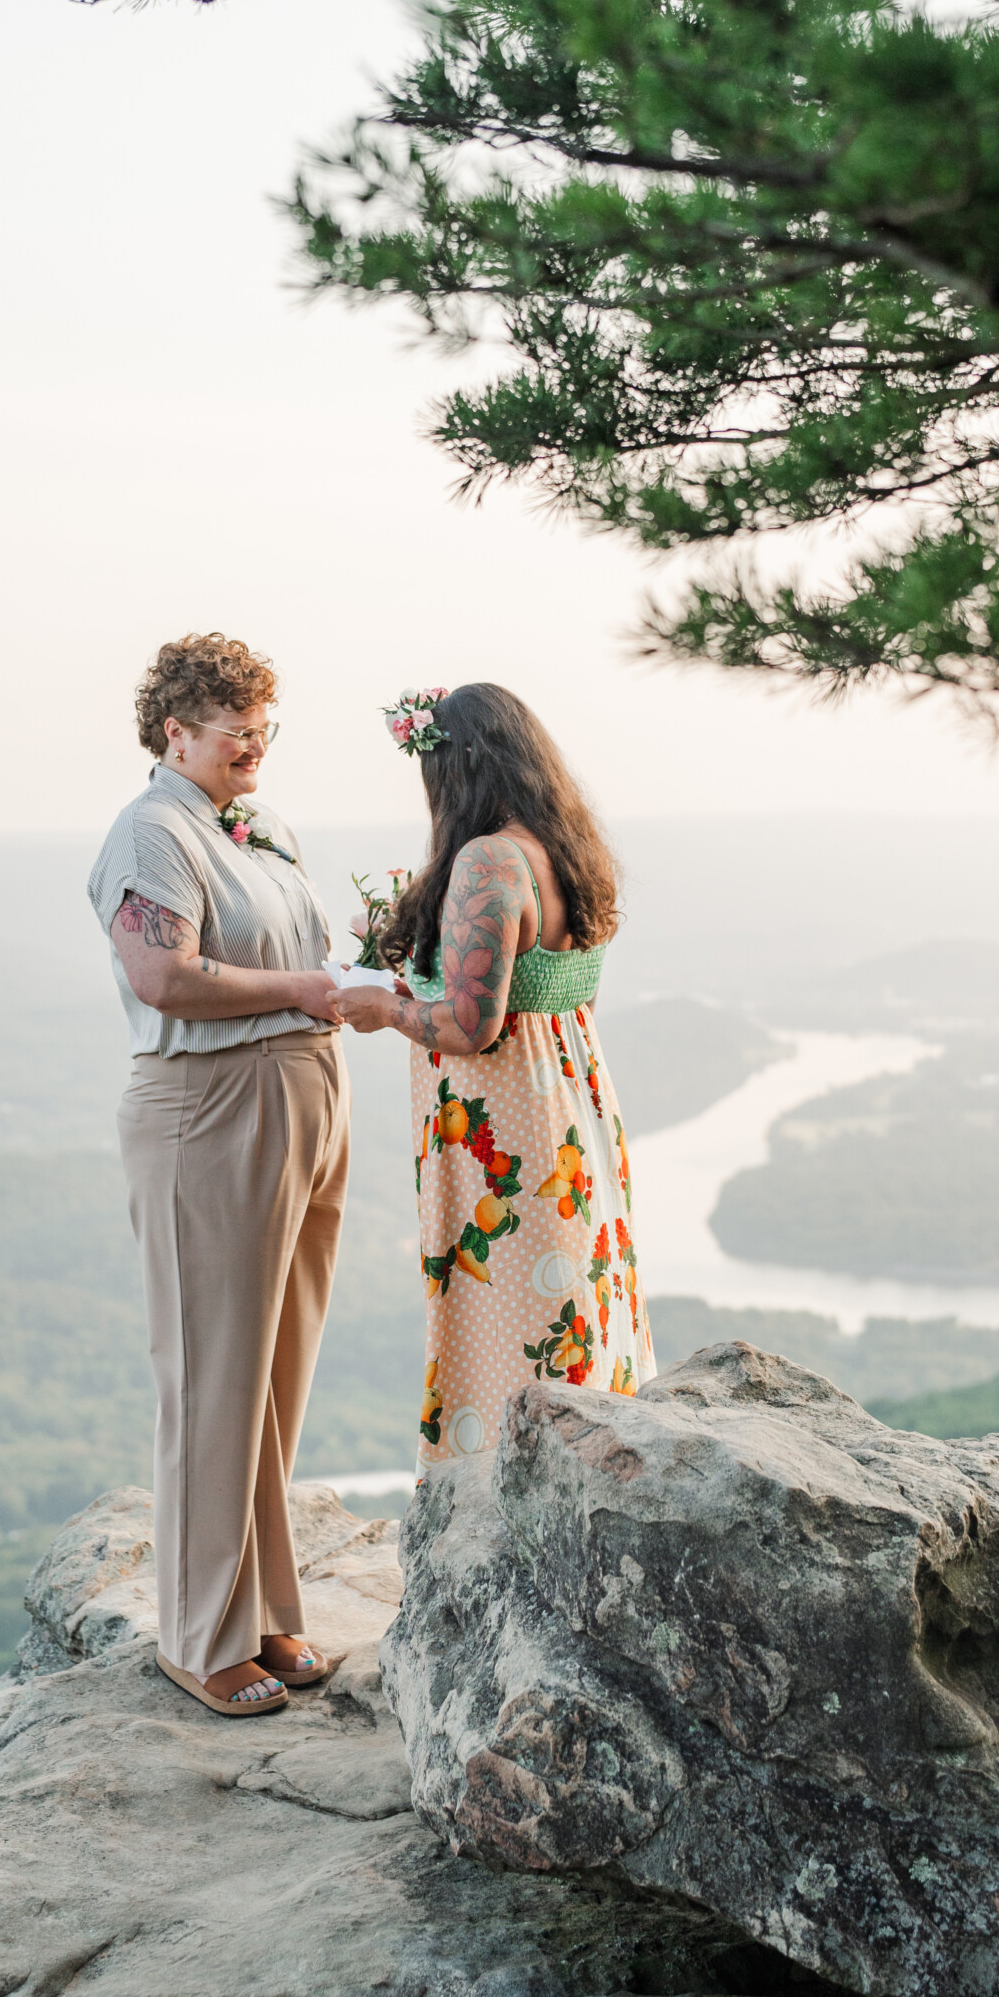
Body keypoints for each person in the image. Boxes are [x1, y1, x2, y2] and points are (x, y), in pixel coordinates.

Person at [87, 632, 347, 1716]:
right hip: (211, 1106)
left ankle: (265, 1612)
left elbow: (302, 955)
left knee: (277, 1375)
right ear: (173, 732)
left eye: (261, 721)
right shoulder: (149, 832)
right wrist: (310, 987)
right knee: (211, 1376)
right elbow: (168, 976)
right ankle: (198, 1638)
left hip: (303, 1091)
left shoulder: (263, 826)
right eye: (231, 724)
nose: (253, 741)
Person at [333, 682, 654, 1471]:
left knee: (509, 1307)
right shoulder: (568, 849)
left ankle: (495, 1491)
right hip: (568, 1104)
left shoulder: (489, 860)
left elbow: (473, 1028)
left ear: (457, 771)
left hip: (503, 1128)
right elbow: (522, 991)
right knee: (572, 1295)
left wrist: (381, 1007)